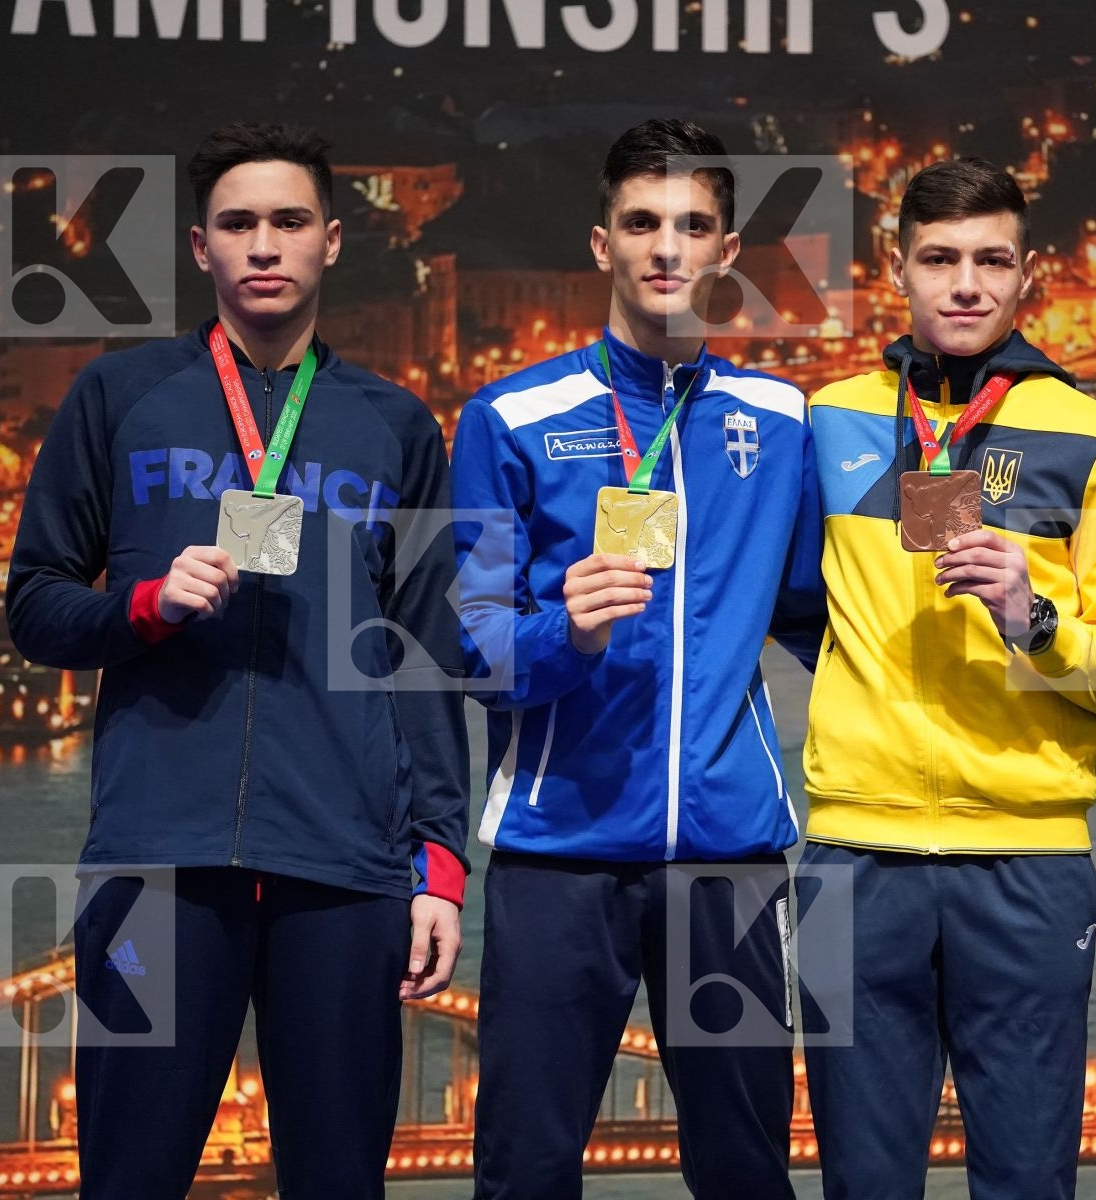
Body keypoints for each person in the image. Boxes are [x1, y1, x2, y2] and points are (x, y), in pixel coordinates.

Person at [5, 121, 470, 1199]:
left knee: (340, 1181)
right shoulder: (116, 399)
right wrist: (146, 605)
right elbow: (33, 608)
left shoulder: (397, 424)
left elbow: (421, 659)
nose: (265, 244)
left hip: (345, 873)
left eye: (289, 222)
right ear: (200, 247)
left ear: (333, 242)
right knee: (128, 1177)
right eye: (238, 224)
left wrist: (438, 862)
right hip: (156, 864)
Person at [452, 118, 822, 1200]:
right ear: (600, 243)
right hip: (557, 854)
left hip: (729, 859)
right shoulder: (507, 417)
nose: (667, 247)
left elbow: (815, 616)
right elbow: (466, 648)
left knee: (748, 1168)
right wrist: (558, 637)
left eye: (692, 225)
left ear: (725, 252)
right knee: (524, 1169)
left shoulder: (779, 420)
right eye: (642, 223)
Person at [799, 157, 1096, 1200]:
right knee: (859, 1185)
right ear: (894, 266)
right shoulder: (825, 419)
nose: (964, 284)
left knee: (1027, 1181)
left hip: (1028, 862)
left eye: (990, 261)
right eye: (939, 258)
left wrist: (1035, 622)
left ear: (1026, 273)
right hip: (848, 855)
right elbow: (785, 601)